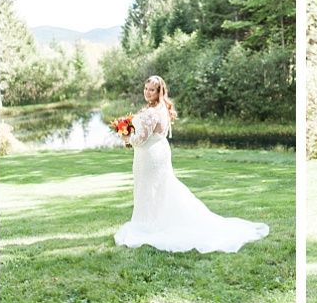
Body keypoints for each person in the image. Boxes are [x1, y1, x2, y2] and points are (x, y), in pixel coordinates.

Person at [113, 76, 268, 253]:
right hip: (159, 151)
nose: (147, 92)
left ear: (159, 92)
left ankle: (148, 226)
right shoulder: (161, 108)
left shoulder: (151, 112)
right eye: (146, 88)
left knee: (147, 190)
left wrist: (125, 136)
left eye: (151, 90)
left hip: (150, 156)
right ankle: (155, 222)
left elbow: (140, 140)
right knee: (159, 190)